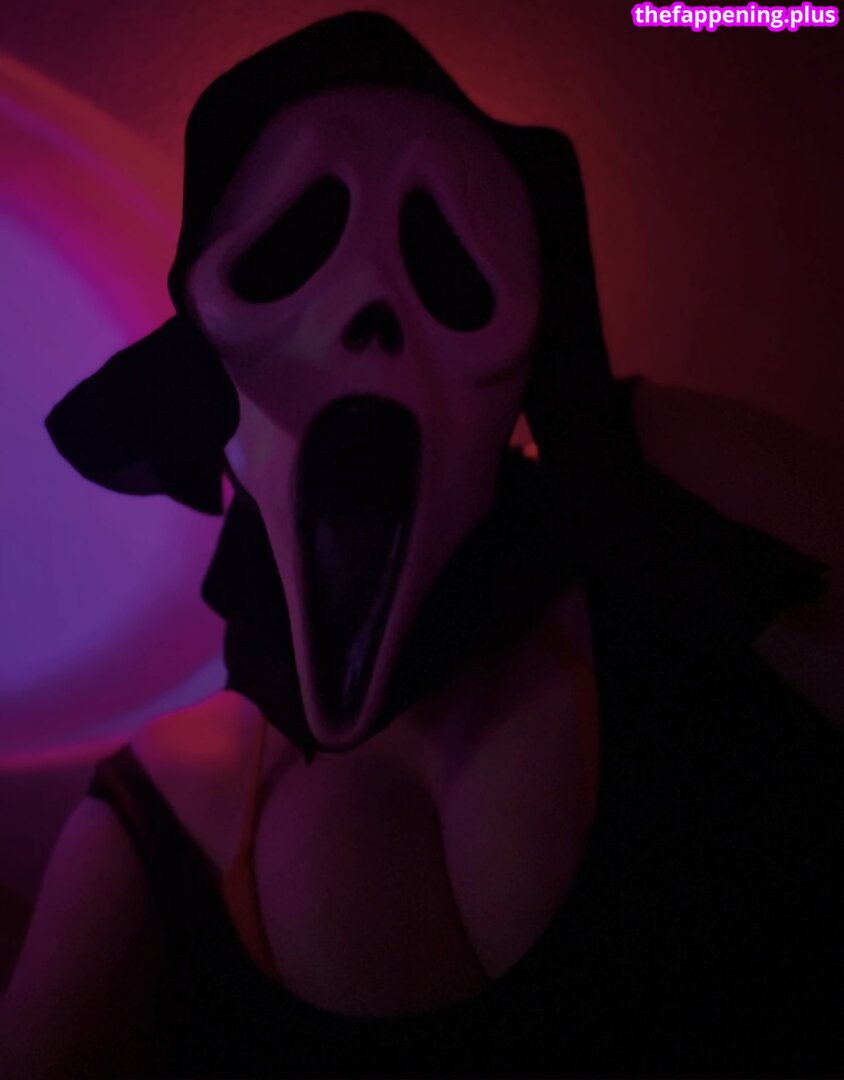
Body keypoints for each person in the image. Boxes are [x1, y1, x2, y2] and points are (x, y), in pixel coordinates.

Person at [1, 11, 842, 1079]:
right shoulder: (169, 801)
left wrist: (640, 490)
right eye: (291, 252)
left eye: (446, 265)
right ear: (203, 356)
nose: (370, 312)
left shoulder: (674, 498)